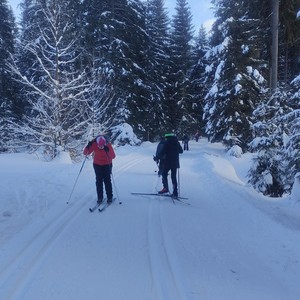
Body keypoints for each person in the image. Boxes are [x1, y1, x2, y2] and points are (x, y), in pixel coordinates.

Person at [83, 135, 116, 204]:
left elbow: (113, 156)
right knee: (99, 181)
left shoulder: (108, 144)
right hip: (97, 164)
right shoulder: (94, 144)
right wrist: (88, 146)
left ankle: (110, 197)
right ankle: (100, 197)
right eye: (99, 146)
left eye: (102, 146)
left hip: (107, 164)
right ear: (97, 143)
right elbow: (85, 153)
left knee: (107, 180)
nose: (101, 147)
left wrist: (108, 150)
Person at [156, 133, 183, 197]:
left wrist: (157, 157)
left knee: (164, 174)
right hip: (175, 163)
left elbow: (162, 152)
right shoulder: (177, 142)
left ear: (167, 137)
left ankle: (166, 188)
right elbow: (181, 151)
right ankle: (175, 192)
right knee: (173, 177)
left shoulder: (167, 143)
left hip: (168, 162)